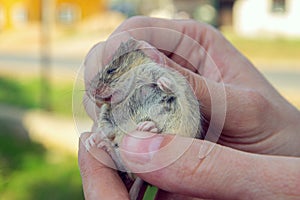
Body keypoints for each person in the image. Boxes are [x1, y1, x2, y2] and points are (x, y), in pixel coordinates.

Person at [78, 16, 300, 199]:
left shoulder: (147, 67)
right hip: (141, 135)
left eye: (109, 73)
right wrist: (105, 133)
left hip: (166, 128)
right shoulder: (119, 99)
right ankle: (120, 155)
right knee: (113, 130)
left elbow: (171, 85)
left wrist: (170, 82)